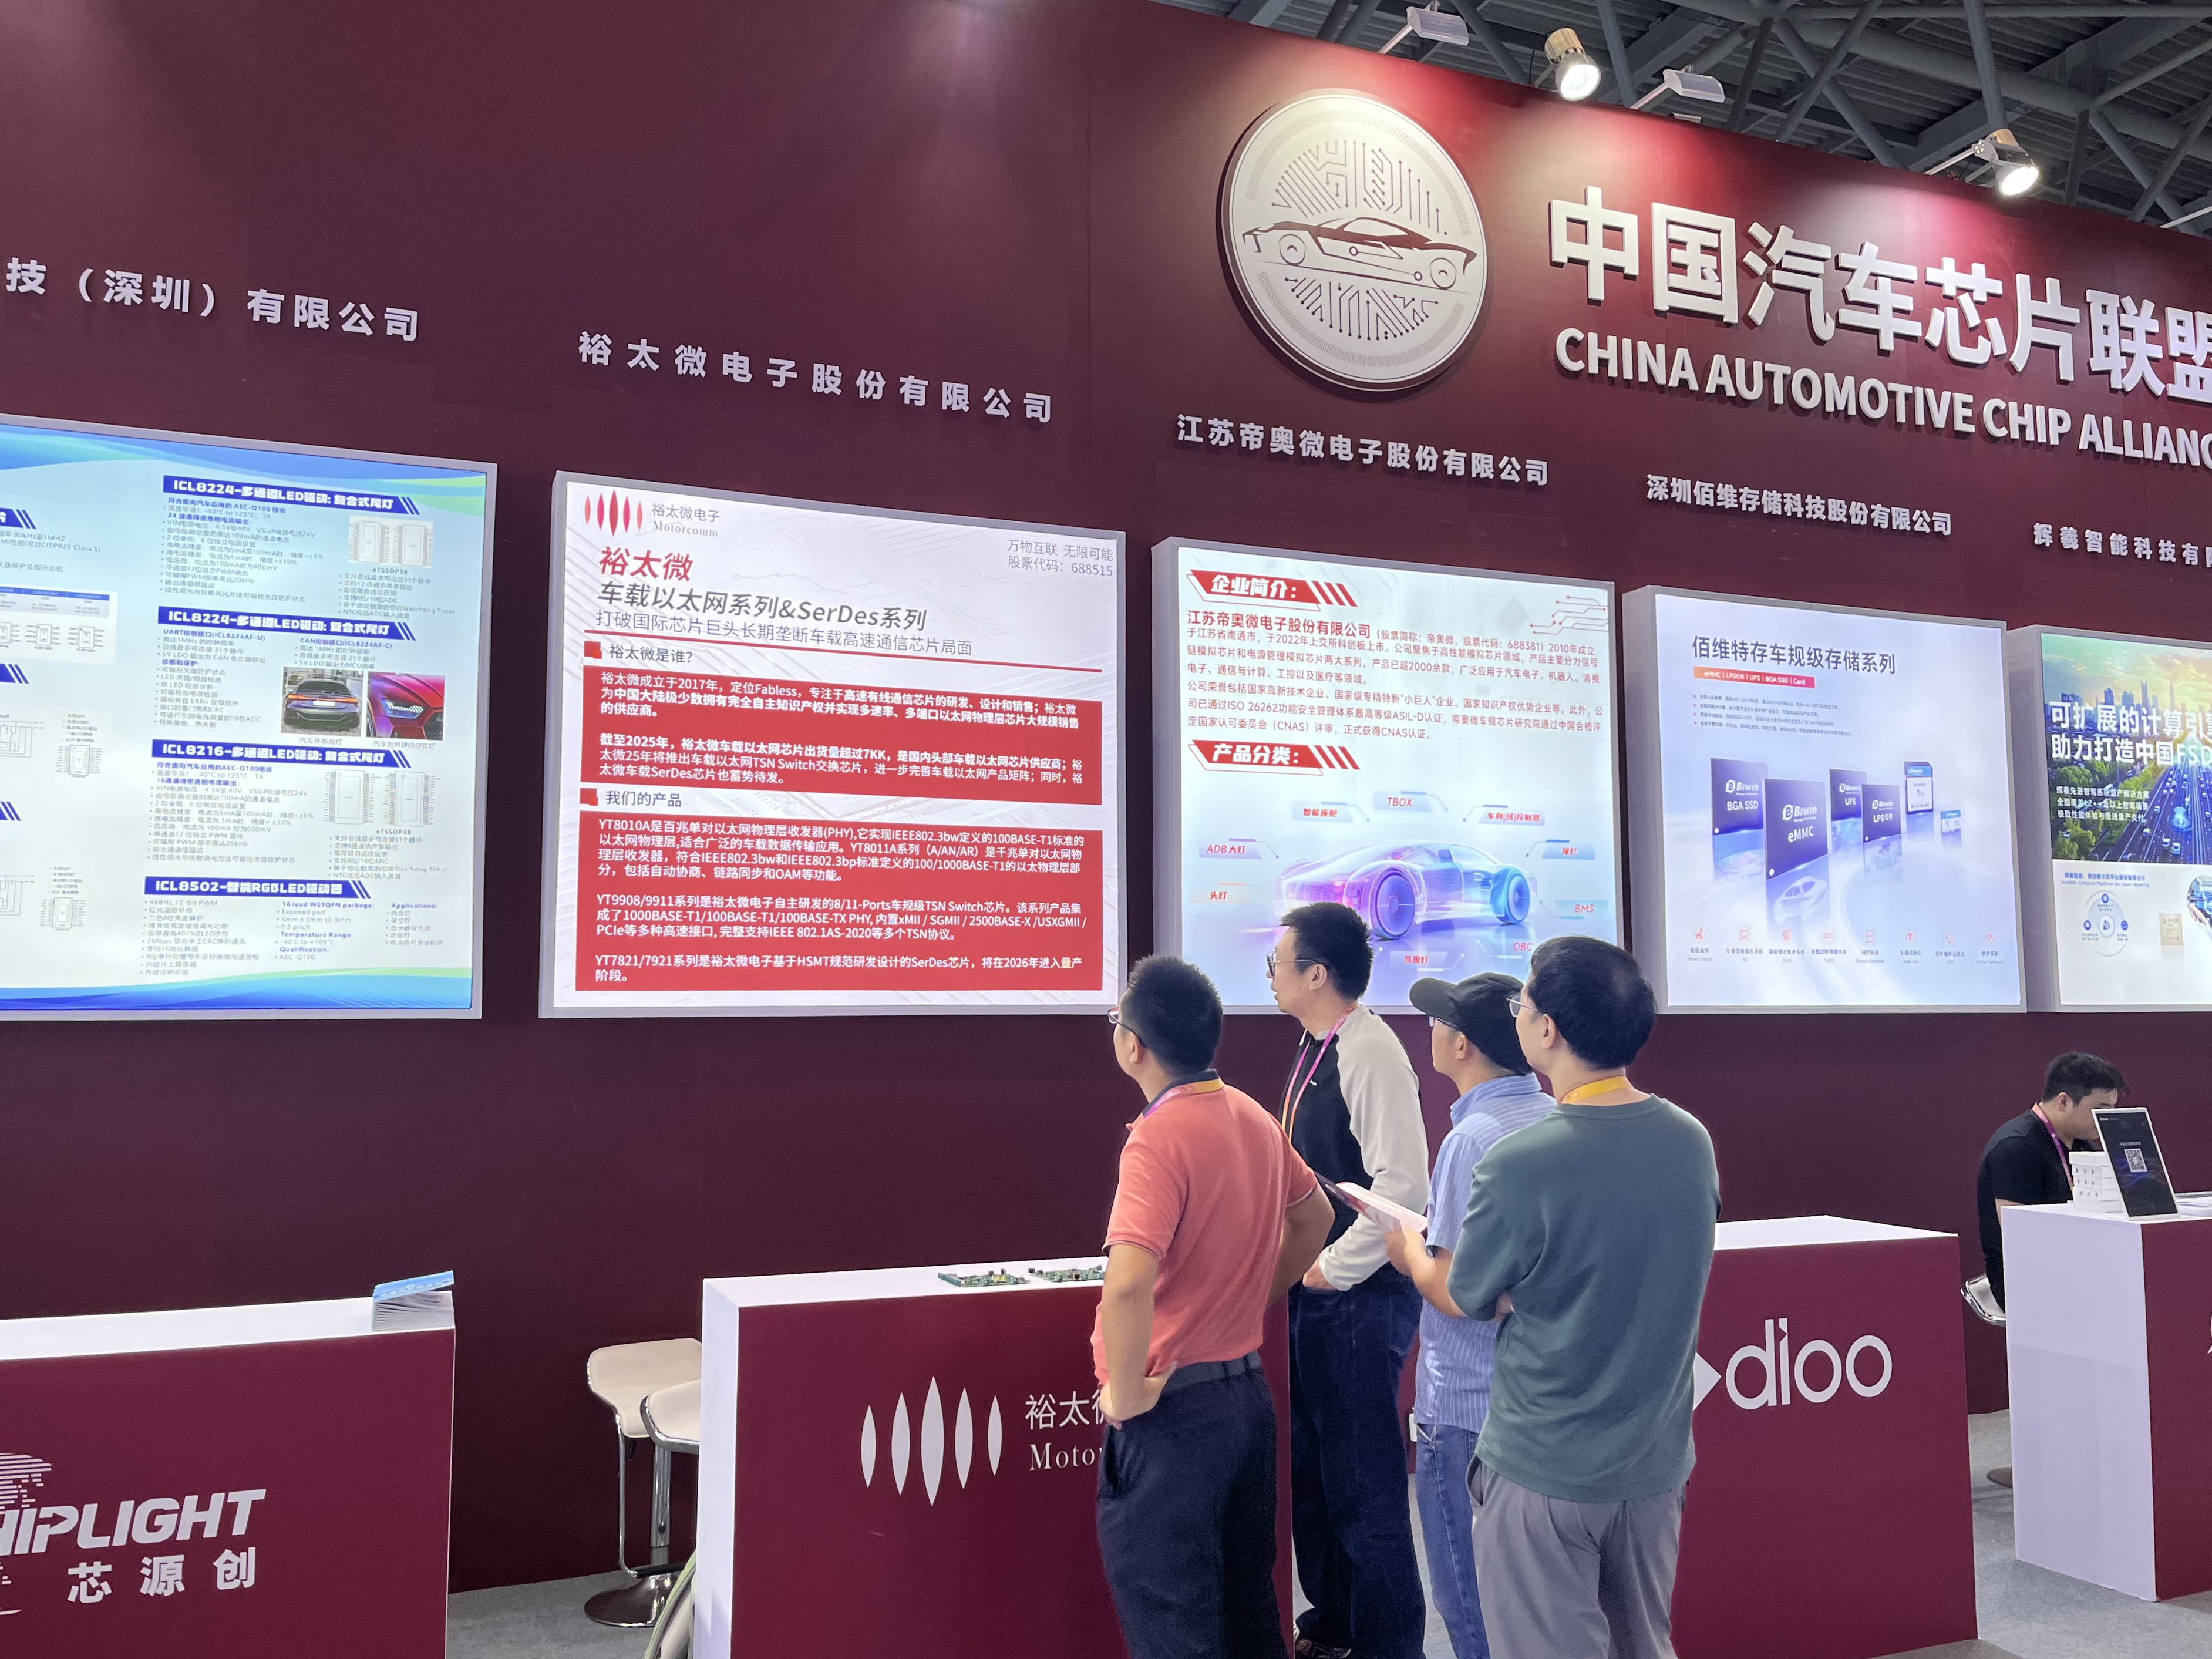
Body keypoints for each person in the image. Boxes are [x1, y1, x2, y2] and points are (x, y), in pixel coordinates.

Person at [1445, 935, 1719, 1659]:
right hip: (1652, 1466)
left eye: (1522, 999)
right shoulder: (1689, 1139)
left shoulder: (1518, 1161)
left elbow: (1468, 1290)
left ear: (1548, 1029)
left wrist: (1413, 1250)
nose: (1517, 1011)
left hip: (1543, 1464)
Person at [1094, 953, 1338, 1659]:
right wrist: (1250, 1295)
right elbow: (1316, 1217)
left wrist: (1126, 1391)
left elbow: (1128, 1281)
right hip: (1244, 1400)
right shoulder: (1251, 1114)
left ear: (1132, 1044)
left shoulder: (1156, 1136)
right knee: (1247, 1613)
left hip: (1173, 1414)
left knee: (1174, 1622)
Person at [1266, 901, 1430, 1659]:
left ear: (1317, 974)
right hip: (1318, 1293)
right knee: (1317, 1474)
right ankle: (1331, 1626)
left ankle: (1389, 1645)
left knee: (1364, 1485)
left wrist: (1329, 1268)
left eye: (1278, 963)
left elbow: (1403, 1187)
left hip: (1357, 1298)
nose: (1270, 975)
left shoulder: (1369, 1051)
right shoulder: (1316, 1043)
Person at [1382, 972, 1554, 1659]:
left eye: (1436, 1021)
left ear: (1461, 1044)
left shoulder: (1471, 1139)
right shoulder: (1554, 1117)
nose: (1428, 1030)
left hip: (1464, 1408)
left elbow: (1456, 1290)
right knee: (1535, 1605)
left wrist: (1408, 1250)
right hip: (1536, 1402)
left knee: (1468, 1599)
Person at [1976, 1052, 2125, 1308]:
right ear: (2064, 1101)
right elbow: (2021, 1240)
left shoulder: (2082, 1144)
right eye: (2101, 1110)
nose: (2107, 1120)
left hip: (2075, 1264)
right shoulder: (2017, 1147)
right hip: (2024, 1279)